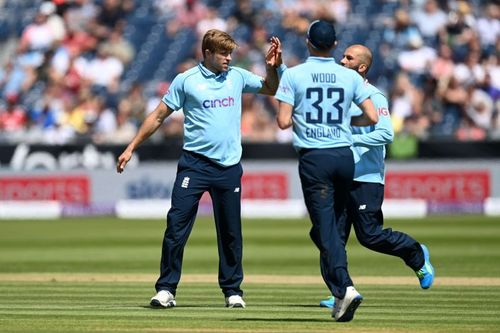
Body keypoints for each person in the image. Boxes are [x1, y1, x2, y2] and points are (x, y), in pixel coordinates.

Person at [116, 29, 283, 309]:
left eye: (230, 53)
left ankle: (233, 291)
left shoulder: (237, 76)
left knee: (231, 232)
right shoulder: (187, 80)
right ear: (207, 53)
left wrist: (272, 68)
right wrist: (132, 145)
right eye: (223, 54)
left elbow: (271, 88)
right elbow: (159, 115)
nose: (229, 58)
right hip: (194, 165)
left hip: (229, 167)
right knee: (176, 227)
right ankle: (166, 289)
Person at [275, 20, 378, 322]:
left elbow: (282, 122)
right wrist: (344, 124)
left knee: (326, 229)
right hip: (345, 157)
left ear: (307, 42)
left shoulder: (293, 75)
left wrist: (307, 121)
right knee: (329, 227)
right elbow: (371, 116)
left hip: (315, 159)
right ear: (334, 45)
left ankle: (344, 287)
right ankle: (339, 294)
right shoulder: (349, 76)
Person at [319, 44, 435, 309]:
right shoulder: (337, 96)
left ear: (362, 67)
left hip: (367, 178)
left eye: (349, 58)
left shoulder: (374, 96)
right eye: (343, 55)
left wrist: (349, 142)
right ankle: (340, 290)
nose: (342, 60)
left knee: (369, 235)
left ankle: (416, 255)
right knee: (332, 238)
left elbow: (386, 134)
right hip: (340, 178)